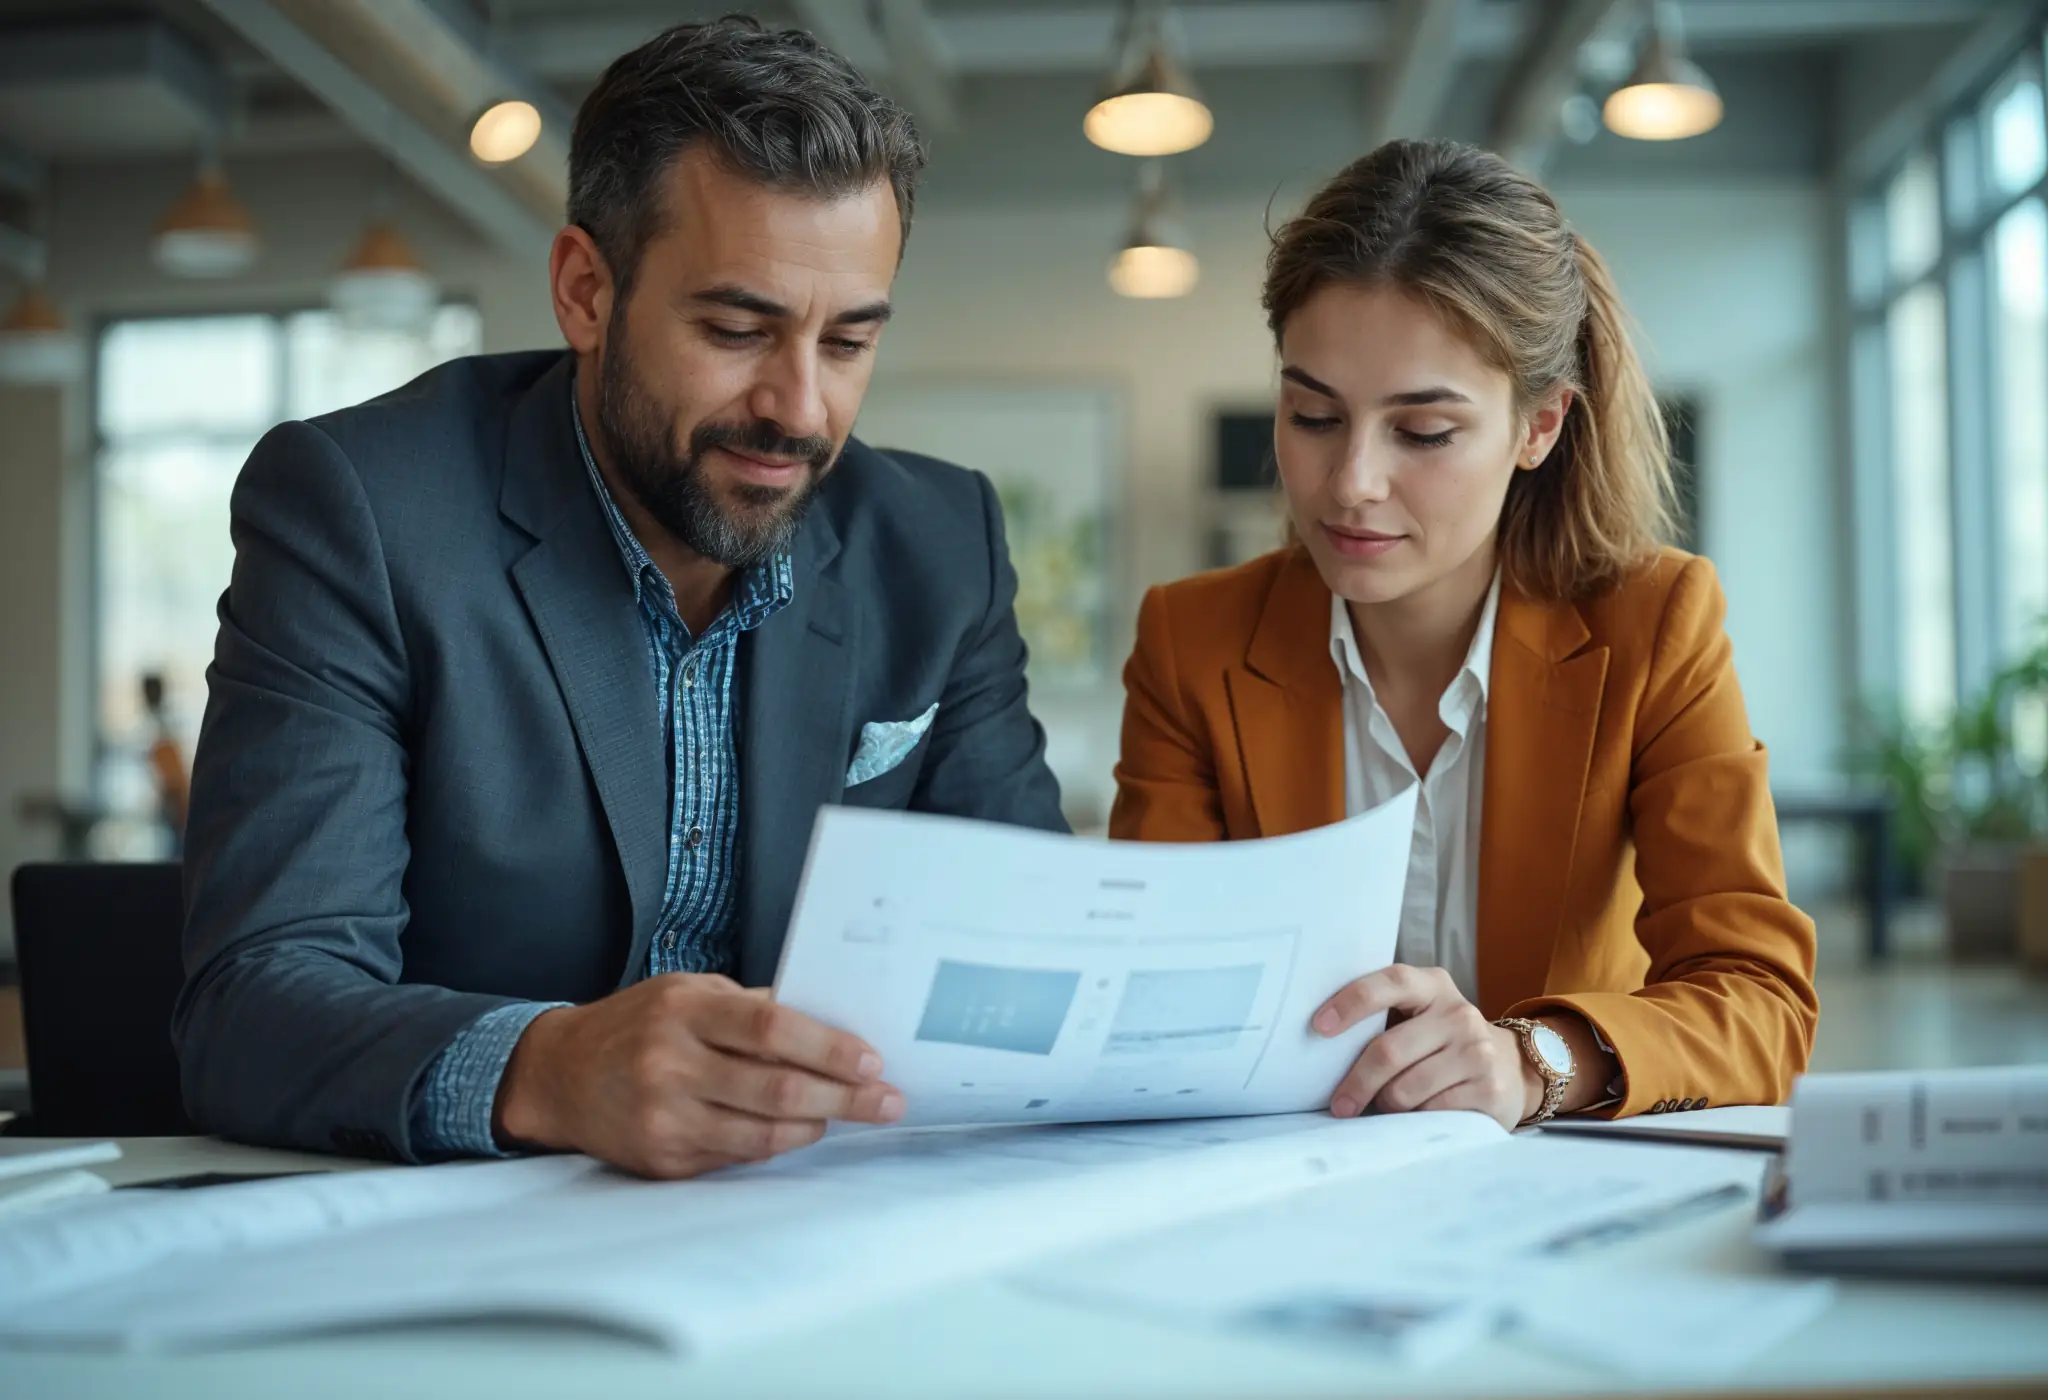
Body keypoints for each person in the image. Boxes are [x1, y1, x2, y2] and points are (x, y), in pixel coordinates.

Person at [177, 18, 1065, 1178]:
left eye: (847, 342)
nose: (798, 407)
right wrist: (548, 1066)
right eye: (736, 329)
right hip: (456, 1237)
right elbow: (253, 1003)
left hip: (815, 1223)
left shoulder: (938, 546)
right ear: (586, 291)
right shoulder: (362, 512)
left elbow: (1040, 955)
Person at [1109, 140, 1817, 1131]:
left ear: (1537, 427)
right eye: (1312, 413)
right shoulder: (1193, 641)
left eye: (1422, 432)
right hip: (1280, 1185)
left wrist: (1532, 1059)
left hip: (1558, 1190)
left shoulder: (1654, 626)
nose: (1351, 479)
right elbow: (1150, 995)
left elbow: (1758, 999)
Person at [139, 672, 191, 845]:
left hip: (174, 801)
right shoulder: (160, 722)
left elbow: (171, 769)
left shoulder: (161, 725)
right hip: (171, 800)